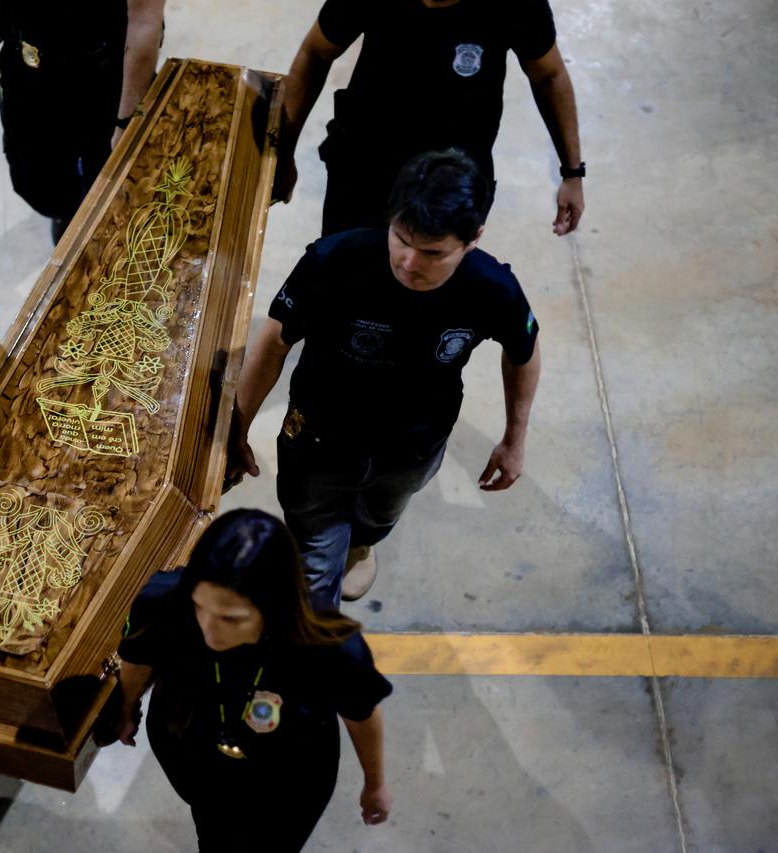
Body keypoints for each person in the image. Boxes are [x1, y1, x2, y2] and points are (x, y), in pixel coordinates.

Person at [228, 150, 542, 604]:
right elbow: (274, 341)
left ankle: (361, 545)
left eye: (433, 253)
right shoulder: (333, 261)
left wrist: (515, 438)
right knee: (313, 547)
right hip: (320, 438)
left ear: (472, 239)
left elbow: (524, 353)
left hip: (414, 446)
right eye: (401, 239)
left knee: (381, 512)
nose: (410, 263)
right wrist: (240, 424)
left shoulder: (492, 288)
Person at [112, 509, 393, 852]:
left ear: (273, 604)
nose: (210, 629)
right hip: (194, 754)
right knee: (212, 832)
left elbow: (361, 716)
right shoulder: (164, 602)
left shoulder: (328, 646)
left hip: (288, 777)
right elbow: (139, 655)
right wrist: (126, 706)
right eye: (201, 607)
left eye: (231, 618)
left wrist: (375, 783)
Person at [274, 0, 586, 237]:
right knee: (346, 277)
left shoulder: (515, 2)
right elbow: (315, 52)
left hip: (453, 179)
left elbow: (549, 76)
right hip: (364, 163)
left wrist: (572, 173)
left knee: (426, 293)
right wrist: (282, 154)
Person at [0, 0, 166, 243]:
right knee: (37, 175)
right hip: (27, 59)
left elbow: (144, 21)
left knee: (113, 178)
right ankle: (66, 213)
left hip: (103, 74)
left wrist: (126, 123)